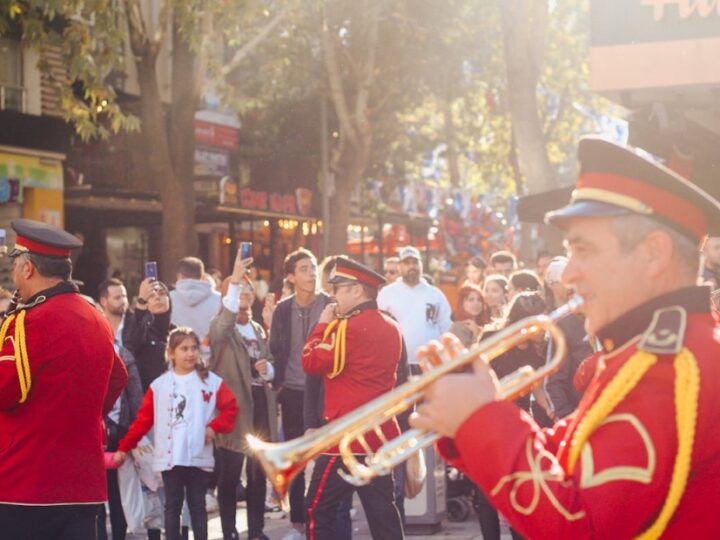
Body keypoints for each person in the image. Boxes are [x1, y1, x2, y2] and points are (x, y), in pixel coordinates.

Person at [411, 136, 720, 537]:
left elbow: (581, 526)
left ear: (653, 254)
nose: (568, 274)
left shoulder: (673, 366)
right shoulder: (657, 350)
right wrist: (472, 414)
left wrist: (480, 417)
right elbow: (574, 453)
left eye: (584, 250)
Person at [0, 218, 128, 539]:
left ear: (29, 268)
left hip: (25, 482)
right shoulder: (95, 317)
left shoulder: (27, 322)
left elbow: (5, 391)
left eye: (16, 265)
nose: (14, 275)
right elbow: (117, 378)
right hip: (84, 483)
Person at [302, 258, 405, 540]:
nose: (333, 295)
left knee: (316, 509)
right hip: (379, 435)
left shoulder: (346, 327)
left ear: (357, 290)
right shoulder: (392, 325)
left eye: (338, 288)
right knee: (383, 514)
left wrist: (322, 325)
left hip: (346, 436)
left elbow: (310, 361)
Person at [115, 328, 239, 540]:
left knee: (197, 505)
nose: (189, 353)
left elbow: (231, 408)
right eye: (184, 349)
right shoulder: (159, 386)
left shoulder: (211, 381)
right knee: (172, 506)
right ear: (172, 353)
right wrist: (124, 447)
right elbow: (143, 421)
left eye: (193, 348)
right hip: (171, 457)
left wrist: (214, 427)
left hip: (198, 456)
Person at [209, 251, 277, 540]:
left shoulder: (258, 327)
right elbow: (224, 321)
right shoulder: (221, 327)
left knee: (258, 473)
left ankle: (256, 531)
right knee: (230, 475)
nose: (246, 291)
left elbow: (270, 360)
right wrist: (234, 280)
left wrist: (268, 369)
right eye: (239, 287)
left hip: (260, 405)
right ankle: (229, 531)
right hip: (235, 409)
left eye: (249, 286)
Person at [268, 248, 332, 540]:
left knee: (327, 454)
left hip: (324, 389)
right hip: (292, 390)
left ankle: (325, 515)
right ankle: (297, 521)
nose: (311, 273)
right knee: (295, 455)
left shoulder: (330, 305)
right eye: (304, 269)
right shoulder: (283, 309)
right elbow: (277, 349)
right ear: (291, 277)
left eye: (313, 267)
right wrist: (277, 381)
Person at [97, 278, 145, 540]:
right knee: (97, 491)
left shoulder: (124, 353)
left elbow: (135, 394)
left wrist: (134, 433)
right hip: (96, 429)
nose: (123, 302)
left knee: (118, 493)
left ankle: (118, 534)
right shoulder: (87, 352)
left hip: (120, 429)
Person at [378, 245, 452, 370]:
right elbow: (379, 328)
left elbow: (447, 327)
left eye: (415, 262)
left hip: (431, 361)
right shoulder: (386, 293)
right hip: (398, 364)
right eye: (407, 263)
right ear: (399, 267)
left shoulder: (435, 294)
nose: (412, 266)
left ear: (421, 265)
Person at [542, 257, 594, 419]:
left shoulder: (615, 314)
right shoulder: (564, 323)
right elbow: (553, 382)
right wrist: (567, 418)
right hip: (579, 416)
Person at [169, 256, 221, 359]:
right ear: (202, 276)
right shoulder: (219, 299)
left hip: (178, 361)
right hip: (211, 360)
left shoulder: (168, 299)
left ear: (179, 276)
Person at [449, 283, 489, 348]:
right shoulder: (458, 327)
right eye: (471, 300)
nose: (476, 303)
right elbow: (466, 355)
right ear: (462, 303)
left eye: (479, 300)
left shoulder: (483, 323)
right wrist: (476, 334)